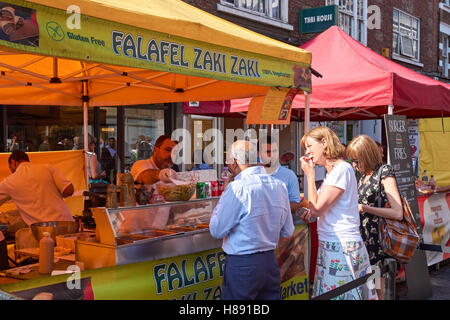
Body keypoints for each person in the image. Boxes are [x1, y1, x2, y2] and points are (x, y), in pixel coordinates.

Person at [299, 126, 377, 300]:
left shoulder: (341, 169)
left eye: (310, 146)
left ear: (324, 143)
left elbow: (317, 208)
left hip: (341, 245)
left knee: (340, 295)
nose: (307, 152)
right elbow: (322, 208)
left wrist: (310, 175)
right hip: (333, 244)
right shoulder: (333, 172)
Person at [209, 140, 294, 300]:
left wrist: (224, 195)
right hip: (270, 261)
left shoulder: (237, 187)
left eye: (228, 163)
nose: (228, 167)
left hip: (243, 263)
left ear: (235, 162)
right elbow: (287, 230)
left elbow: (217, 229)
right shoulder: (279, 185)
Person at [346, 134, 403, 300]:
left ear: (367, 155)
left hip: (378, 242)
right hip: (364, 240)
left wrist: (365, 208)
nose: (355, 165)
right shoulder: (364, 176)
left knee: (378, 290)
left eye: (357, 161)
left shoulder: (384, 172)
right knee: (369, 289)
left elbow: (397, 212)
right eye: (353, 161)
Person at [0, 150, 75, 248]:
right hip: (68, 227)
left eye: (10, 168)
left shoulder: (9, 182)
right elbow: (69, 190)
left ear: (13, 162)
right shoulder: (47, 168)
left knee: (48, 261)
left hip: (44, 235)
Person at [259, 135, 303, 212]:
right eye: (267, 152)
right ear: (259, 153)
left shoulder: (289, 175)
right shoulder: (253, 174)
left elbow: (296, 203)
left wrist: (274, 209)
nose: (271, 155)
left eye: (274, 151)